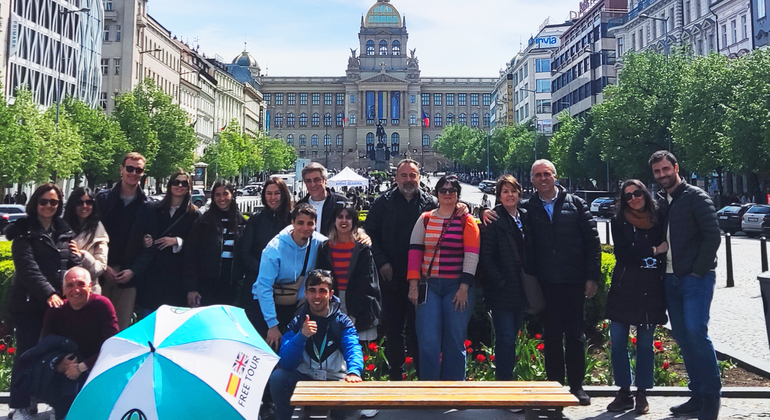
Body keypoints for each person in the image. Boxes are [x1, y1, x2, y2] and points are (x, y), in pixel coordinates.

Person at [649, 151, 721, 420]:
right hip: (670, 278)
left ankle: (712, 398)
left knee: (696, 332)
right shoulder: (663, 201)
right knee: (682, 336)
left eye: (666, 169)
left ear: (676, 167)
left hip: (694, 279)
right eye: (657, 172)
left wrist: (697, 270)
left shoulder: (696, 197)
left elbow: (712, 235)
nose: (662, 175)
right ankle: (697, 395)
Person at [525, 159, 600, 405]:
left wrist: (592, 277)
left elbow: (592, 242)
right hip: (546, 282)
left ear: (555, 176)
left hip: (573, 280)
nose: (543, 178)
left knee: (575, 336)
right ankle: (555, 387)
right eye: (538, 175)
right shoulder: (528, 208)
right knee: (552, 336)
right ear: (532, 180)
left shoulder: (576, 204)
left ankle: (577, 387)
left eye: (547, 174)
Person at [6, 183, 81, 419]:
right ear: (35, 203)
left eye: (54, 202)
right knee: (27, 353)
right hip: (30, 304)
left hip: (59, 304)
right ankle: (19, 405)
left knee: (57, 354)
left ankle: (53, 401)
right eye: (43, 201)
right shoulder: (23, 231)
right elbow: (28, 269)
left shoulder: (64, 231)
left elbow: (69, 268)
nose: (48, 206)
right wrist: (49, 293)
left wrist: (77, 260)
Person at [9, 267, 119, 420]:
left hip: (96, 362)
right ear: (63, 290)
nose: (76, 290)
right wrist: (59, 364)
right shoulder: (55, 310)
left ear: (90, 286)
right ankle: (57, 406)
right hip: (68, 364)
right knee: (33, 362)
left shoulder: (103, 305)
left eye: (81, 284)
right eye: (70, 285)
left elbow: (113, 345)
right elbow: (46, 345)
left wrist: (83, 367)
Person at [363, 159, 436, 380]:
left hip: (422, 278)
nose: (408, 180)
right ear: (395, 178)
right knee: (394, 330)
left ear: (419, 178)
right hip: (391, 276)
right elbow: (369, 234)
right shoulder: (382, 203)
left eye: (412, 176)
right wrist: (382, 261)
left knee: (421, 330)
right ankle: (396, 375)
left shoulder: (430, 203)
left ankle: (424, 376)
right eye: (404, 176)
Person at [406, 175, 480, 380]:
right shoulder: (426, 219)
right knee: (428, 341)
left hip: (456, 287)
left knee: (454, 341)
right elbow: (414, 252)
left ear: (458, 194)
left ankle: (454, 388)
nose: (447, 194)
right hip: (428, 286)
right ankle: (430, 389)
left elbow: (472, 255)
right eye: (443, 190)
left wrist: (464, 287)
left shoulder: (467, 220)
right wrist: (413, 285)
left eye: (452, 190)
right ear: (436, 193)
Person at [605, 180, 668, 414]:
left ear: (645, 193)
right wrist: (654, 250)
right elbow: (624, 254)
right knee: (618, 341)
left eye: (637, 193)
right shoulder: (618, 221)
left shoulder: (659, 217)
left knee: (645, 344)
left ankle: (642, 393)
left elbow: (668, 246)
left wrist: (655, 251)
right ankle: (623, 391)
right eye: (628, 195)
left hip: (651, 288)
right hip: (624, 286)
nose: (633, 198)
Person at [268, 270, 363, 420]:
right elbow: (285, 362)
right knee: (278, 378)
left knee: (353, 389)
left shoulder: (342, 322)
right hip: (305, 376)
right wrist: (302, 336)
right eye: (312, 291)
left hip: (335, 378)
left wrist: (354, 371)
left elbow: (353, 347)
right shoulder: (297, 322)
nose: (317, 296)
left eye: (322, 291)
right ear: (305, 293)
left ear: (331, 294)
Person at [253, 204, 326, 351]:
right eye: (300, 223)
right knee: (269, 351)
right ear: (292, 223)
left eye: (310, 223)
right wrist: (272, 325)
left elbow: (340, 240)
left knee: (291, 352)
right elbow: (263, 287)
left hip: (295, 306)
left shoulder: (319, 242)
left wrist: (362, 234)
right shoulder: (274, 249)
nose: (305, 228)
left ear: (315, 224)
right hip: (267, 305)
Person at [95, 152, 154, 330]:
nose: (133, 173)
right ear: (121, 169)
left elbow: (150, 247)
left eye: (138, 170)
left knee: (120, 329)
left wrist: (133, 271)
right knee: (97, 327)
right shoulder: (102, 199)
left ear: (143, 173)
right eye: (130, 168)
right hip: (101, 275)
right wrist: (104, 267)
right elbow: (92, 236)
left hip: (128, 278)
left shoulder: (148, 206)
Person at [479, 175, 529, 381]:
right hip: (503, 291)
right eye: (505, 191)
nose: (510, 195)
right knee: (506, 339)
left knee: (513, 338)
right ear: (499, 195)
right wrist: (500, 281)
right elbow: (486, 257)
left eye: (513, 191)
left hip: (523, 287)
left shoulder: (525, 216)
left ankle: (509, 382)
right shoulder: (493, 219)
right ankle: (505, 384)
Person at [130, 170, 200, 314]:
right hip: (152, 275)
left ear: (189, 188)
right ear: (169, 185)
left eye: (184, 184)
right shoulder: (154, 209)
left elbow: (198, 247)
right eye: (176, 182)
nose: (179, 186)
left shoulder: (194, 214)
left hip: (178, 278)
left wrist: (178, 241)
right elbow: (140, 234)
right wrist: (145, 240)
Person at [317, 203, 381, 341]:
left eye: (348, 217)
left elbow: (367, 285)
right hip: (332, 304)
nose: (344, 221)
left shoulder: (363, 249)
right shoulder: (325, 248)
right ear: (334, 221)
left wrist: (354, 314)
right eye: (340, 217)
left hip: (360, 307)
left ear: (354, 221)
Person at [240, 177, 292, 329]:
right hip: (256, 285)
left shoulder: (292, 220)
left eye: (277, 193)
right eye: (269, 193)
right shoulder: (256, 219)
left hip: (283, 288)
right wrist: (265, 273)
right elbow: (245, 251)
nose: (273, 198)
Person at [184, 181, 246, 307]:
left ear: (232, 195)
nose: (222, 198)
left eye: (225, 194)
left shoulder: (242, 223)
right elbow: (190, 256)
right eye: (217, 195)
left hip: (233, 286)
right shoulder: (203, 223)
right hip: (207, 286)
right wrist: (192, 288)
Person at [63, 188, 109, 295]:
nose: (84, 206)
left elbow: (100, 268)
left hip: (89, 291)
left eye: (89, 202)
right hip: (64, 290)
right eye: (80, 203)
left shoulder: (98, 229)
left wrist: (82, 256)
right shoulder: (60, 226)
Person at [297, 162, 350, 236]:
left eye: (316, 180)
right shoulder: (299, 206)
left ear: (325, 180)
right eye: (308, 181)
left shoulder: (342, 203)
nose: (313, 184)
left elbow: (354, 228)